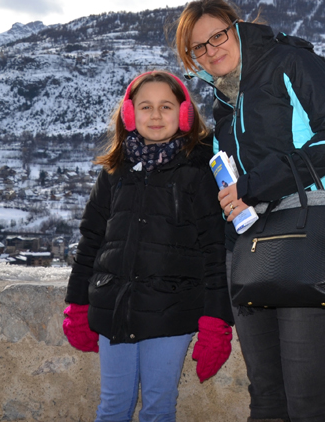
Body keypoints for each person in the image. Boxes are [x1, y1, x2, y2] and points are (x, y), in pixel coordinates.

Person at [174, 0, 325, 422]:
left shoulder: (290, 62)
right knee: (266, 399)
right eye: (199, 47)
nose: (211, 50)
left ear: (237, 27)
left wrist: (253, 186)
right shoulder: (224, 100)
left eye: (217, 36)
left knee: (307, 404)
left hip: (307, 230)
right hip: (248, 245)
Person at [63, 70, 234, 422]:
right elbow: (91, 241)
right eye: (145, 107)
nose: (155, 115)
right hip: (114, 309)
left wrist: (216, 321)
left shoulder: (199, 171)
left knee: (158, 408)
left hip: (171, 312)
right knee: (112, 407)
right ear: (130, 114)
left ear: (184, 114)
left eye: (166, 106)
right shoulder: (114, 172)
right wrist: (77, 304)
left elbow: (215, 251)